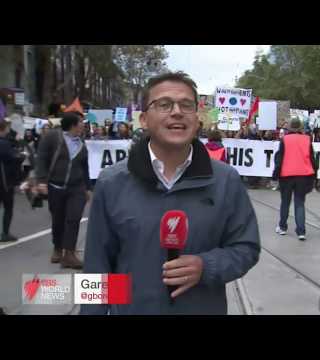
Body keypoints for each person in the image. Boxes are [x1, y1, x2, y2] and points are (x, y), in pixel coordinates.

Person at [80, 72, 260, 315]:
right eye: (164, 104)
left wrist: (205, 266)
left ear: (197, 119)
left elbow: (246, 247)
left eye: (186, 105)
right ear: (143, 119)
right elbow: (97, 266)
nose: (177, 111)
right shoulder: (111, 183)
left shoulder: (226, 180)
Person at [35, 112, 92, 269]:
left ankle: (70, 254)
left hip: (77, 188)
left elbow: (84, 166)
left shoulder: (81, 142)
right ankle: (57, 248)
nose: (83, 124)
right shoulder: (53, 137)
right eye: (81, 122)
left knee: (73, 219)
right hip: (56, 186)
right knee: (58, 219)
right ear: (73, 124)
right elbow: (41, 158)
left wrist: (88, 188)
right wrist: (41, 181)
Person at [272, 118, 317, 241]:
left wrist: (275, 175)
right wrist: (315, 176)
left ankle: (282, 227)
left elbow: (279, 159)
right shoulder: (307, 139)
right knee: (300, 203)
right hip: (303, 175)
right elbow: (313, 159)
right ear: (300, 128)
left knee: (285, 202)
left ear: (290, 128)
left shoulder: (284, 140)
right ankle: (301, 231)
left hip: (286, 174)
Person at [0, 120, 25, 242]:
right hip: (4, 182)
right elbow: (13, 157)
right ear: (3, 129)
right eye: (7, 128)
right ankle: (4, 233)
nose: (9, 130)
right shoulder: (4, 143)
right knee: (8, 207)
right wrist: (21, 155)